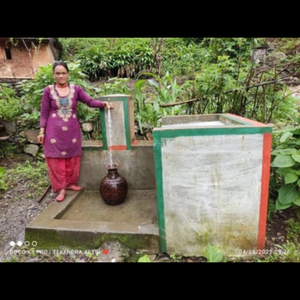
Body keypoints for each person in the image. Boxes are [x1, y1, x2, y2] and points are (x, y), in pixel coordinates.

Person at [37, 60, 114, 202]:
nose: (61, 76)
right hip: (53, 131)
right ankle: (61, 189)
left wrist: (103, 104)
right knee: (56, 159)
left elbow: (89, 101)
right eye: (58, 73)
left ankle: (71, 183)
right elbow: (44, 112)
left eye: (63, 73)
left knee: (72, 158)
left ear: (68, 74)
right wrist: (41, 132)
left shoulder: (76, 89)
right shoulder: (48, 90)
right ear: (54, 75)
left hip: (72, 130)